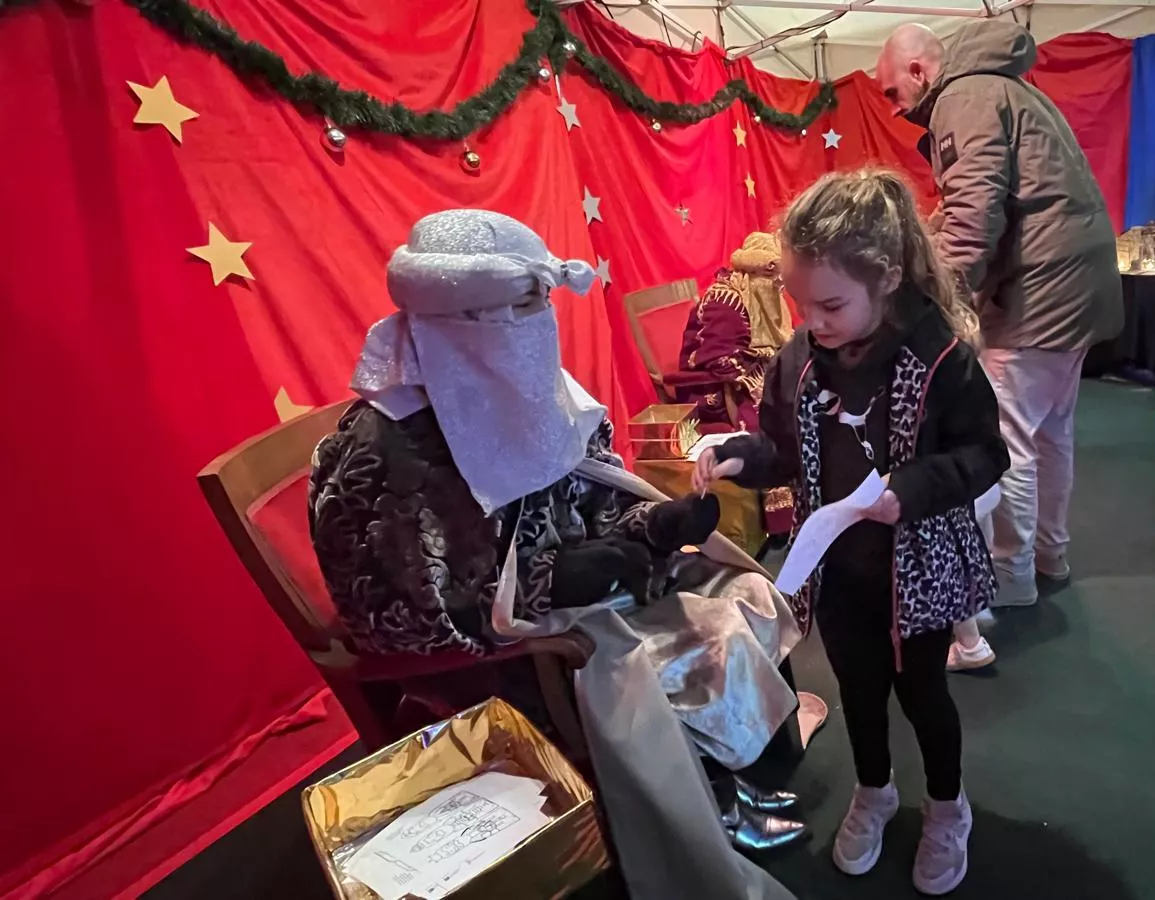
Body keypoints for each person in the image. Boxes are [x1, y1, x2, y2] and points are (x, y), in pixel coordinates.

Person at [308, 209, 809, 898]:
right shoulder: (387, 447)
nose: (540, 324)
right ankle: (697, 824)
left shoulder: (529, 388)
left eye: (541, 302)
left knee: (738, 585)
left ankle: (721, 780)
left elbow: (592, 496)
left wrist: (651, 525)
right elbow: (400, 610)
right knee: (683, 643)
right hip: (505, 656)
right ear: (462, 323)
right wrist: (558, 579)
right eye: (521, 308)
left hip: (575, 600)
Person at [694, 170, 1009, 894]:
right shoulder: (799, 361)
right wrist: (738, 454)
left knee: (924, 693)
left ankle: (946, 805)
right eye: (797, 302)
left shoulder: (941, 359)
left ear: (888, 279)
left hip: (919, 567)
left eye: (830, 303)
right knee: (858, 690)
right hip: (837, 567)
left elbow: (987, 454)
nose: (811, 319)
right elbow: (778, 447)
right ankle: (875, 790)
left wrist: (913, 490)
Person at [877, 21, 1124, 608]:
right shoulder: (1001, 89)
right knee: (1051, 430)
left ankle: (1012, 578)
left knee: (1006, 436)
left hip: (1038, 294)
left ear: (919, 70)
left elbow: (973, 213)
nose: (894, 108)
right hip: (1075, 285)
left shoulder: (963, 97)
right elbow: (975, 202)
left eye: (892, 91)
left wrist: (927, 302)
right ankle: (1048, 554)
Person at [667, 232, 793, 434]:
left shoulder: (762, 298)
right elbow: (721, 361)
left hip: (753, 369)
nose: (776, 288)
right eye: (770, 280)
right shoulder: (725, 301)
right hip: (714, 389)